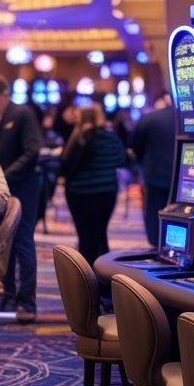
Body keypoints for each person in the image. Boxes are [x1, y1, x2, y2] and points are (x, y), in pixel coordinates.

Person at [0, 74, 43, 323]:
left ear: (6, 95)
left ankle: (28, 301)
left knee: (24, 242)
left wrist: (3, 177)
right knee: (4, 242)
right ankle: (9, 294)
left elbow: (32, 151)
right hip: (0, 193)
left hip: (23, 189)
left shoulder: (22, 114)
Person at [60, 104, 128, 265]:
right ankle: (103, 276)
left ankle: (85, 277)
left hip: (79, 192)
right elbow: (121, 159)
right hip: (107, 191)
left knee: (85, 237)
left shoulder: (79, 137)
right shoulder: (111, 136)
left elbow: (66, 166)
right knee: (100, 234)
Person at [128, 92, 176, 246]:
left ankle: (155, 244)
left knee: (154, 212)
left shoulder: (149, 118)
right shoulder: (189, 118)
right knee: (178, 213)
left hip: (154, 173)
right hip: (184, 176)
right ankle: (175, 247)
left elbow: (135, 146)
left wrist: (143, 164)